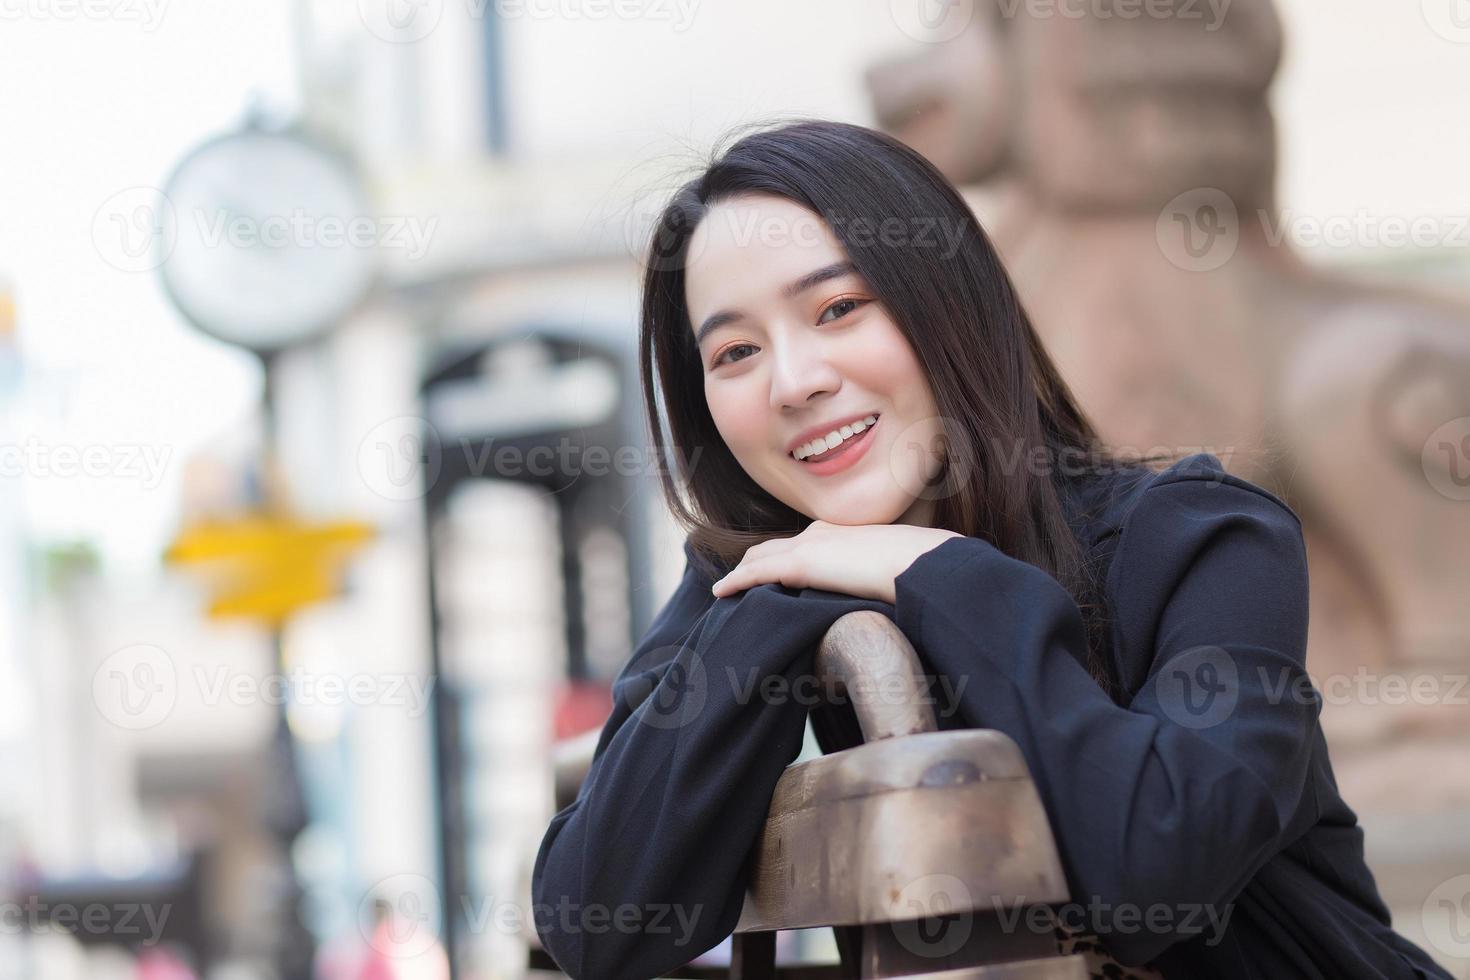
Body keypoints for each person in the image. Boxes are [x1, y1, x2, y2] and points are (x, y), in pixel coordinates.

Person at [531, 118, 1454, 980]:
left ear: (949, 306)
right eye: (735, 354)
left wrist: (940, 577)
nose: (795, 382)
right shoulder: (770, 574)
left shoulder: (1208, 538)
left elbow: (1156, 874)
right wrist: (769, 611)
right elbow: (598, 918)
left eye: (840, 307)